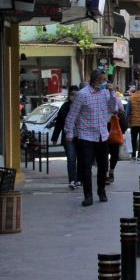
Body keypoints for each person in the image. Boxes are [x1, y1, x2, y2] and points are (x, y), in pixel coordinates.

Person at [65, 70, 117, 206]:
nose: (105, 83)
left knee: (103, 166)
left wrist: (112, 93)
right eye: (103, 80)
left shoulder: (105, 93)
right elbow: (72, 114)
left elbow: (113, 108)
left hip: (102, 135)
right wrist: (69, 133)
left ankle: (101, 191)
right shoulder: (82, 95)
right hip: (86, 135)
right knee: (86, 166)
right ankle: (88, 195)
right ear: (96, 81)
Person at [51, 85, 81, 190]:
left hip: (81, 136)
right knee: (71, 159)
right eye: (72, 94)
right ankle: (72, 180)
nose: (74, 96)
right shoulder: (64, 107)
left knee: (81, 159)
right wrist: (54, 138)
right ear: (69, 95)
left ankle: (79, 180)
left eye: (76, 94)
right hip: (68, 137)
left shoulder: (82, 106)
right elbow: (59, 123)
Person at [106, 83, 126, 184]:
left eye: (111, 88)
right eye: (108, 88)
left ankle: (111, 171)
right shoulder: (100, 98)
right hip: (103, 128)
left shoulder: (116, 97)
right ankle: (105, 173)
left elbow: (121, 110)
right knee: (104, 152)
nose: (109, 90)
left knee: (114, 153)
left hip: (114, 127)